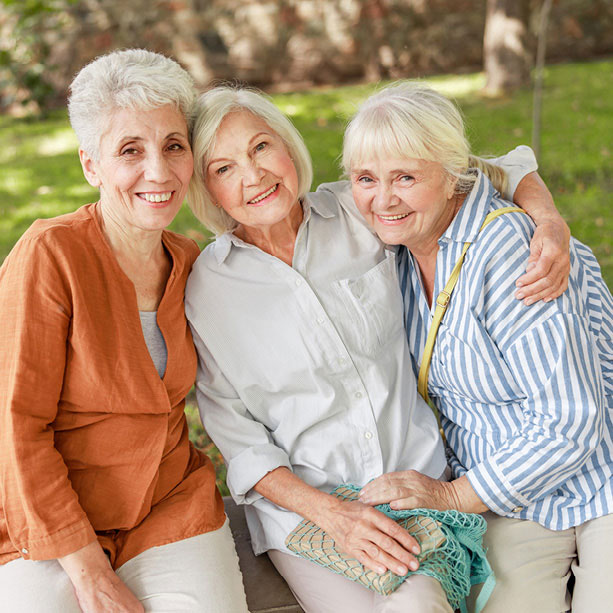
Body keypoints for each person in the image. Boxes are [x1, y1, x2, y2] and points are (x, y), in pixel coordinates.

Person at [184, 85, 570, 613]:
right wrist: (331, 514)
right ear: (206, 189)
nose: (254, 176)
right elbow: (239, 438)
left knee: (418, 606)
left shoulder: (363, 207)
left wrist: (547, 220)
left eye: (260, 147)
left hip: (416, 489)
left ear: (287, 145)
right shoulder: (208, 289)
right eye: (223, 168)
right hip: (308, 514)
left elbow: (493, 168)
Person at [347, 83, 613, 613]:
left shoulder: (509, 247)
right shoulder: (399, 245)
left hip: (599, 474)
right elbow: (507, 163)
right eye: (365, 179)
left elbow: (571, 418)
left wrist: (451, 497)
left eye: (406, 177)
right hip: (513, 498)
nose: (383, 198)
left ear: (452, 176)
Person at [0, 50, 248, 613]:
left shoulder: (193, 264)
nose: (158, 172)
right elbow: (16, 426)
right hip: (45, 518)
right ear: (91, 165)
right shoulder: (50, 254)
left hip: (166, 504)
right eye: (130, 151)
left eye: (173, 146)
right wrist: (87, 570)